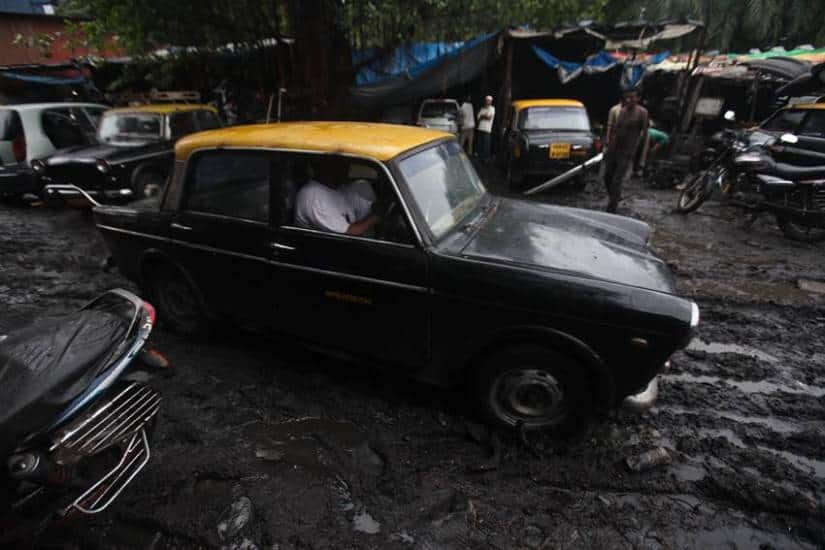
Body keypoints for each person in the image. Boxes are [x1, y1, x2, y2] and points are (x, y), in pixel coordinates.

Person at [295, 157, 380, 236]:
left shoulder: (338, 189)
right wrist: (376, 216)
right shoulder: (313, 195)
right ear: (325, 167)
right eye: (341, 164)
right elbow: (351, 233)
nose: (346, 168)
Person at [602, 88, 649, 213]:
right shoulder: (622, 111)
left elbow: (645, 135)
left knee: (616, 181)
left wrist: (641, 158)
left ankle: (611, 209)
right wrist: (609, 147)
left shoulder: (642, 113)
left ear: (638, 98)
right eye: (627, 98)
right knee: (607, 177)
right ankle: (615, 197)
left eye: (632, 97)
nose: (629, 100)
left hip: (627, 152)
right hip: (615, 149)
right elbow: (615, 131)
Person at [476, 95, 495, 160]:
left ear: (491, 102)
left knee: (486, 145)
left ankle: (485, 158)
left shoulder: (492, 108)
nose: (487, 101)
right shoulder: (482, 109)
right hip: (480, 128)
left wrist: (482, 116)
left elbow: (489, 117)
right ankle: (480, 157)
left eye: (489, 100)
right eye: (486, 100)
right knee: (480, 144)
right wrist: (483, 116)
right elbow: (478, 118)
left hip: (487, 130)